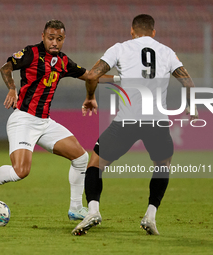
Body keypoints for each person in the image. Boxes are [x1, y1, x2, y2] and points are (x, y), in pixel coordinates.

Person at [0, 19, 115, 221]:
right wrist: (12, 88)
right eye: (51, 38)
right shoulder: (31, 53)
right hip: (23, 120)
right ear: (43, 36)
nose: (54, 42)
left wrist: (120, 78)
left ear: (64, 39)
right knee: (21, 171)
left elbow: (91, 75)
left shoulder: (63, 62)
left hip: (45, 123)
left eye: (59, 39)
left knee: (81, 158)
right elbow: (5, 68)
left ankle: (75, 208)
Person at [72, 14, 198, 235]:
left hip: (126, 121)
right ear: (153, 32)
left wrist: (90, 97)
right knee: (163, 165)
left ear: (132, 31)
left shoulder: (120, 48)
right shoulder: (166, 52)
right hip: (157, 122)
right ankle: (150, 215)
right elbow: (187, 80)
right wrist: (192, 105)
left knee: (94, 165)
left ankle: (93, 210)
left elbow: (92, 75)